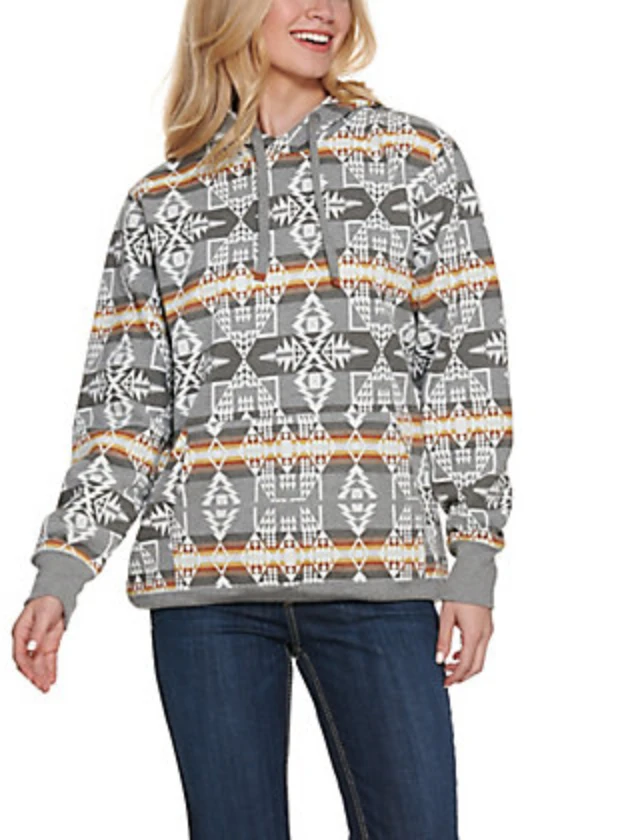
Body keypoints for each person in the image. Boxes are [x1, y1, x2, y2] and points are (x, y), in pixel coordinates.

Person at [13, 0, 514, 836]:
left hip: (378, 573)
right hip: (204, 592)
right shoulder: (161, 202)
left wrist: (474, 559)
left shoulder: (416, 160)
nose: (324, 10)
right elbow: (124, 410)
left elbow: (466, 364)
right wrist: (62, 571)